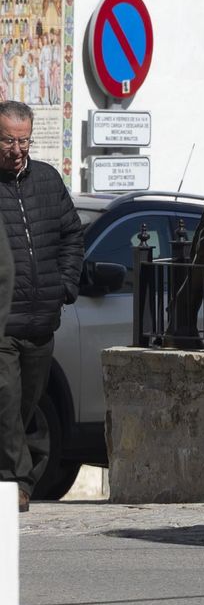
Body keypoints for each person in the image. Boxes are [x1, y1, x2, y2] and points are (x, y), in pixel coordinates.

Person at [0, 101, 81, 510]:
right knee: (6, 398)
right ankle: (15, 482)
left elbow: (72, 235)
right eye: (9, 140)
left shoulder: (47, 181)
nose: (17, 149)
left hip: (41, 320)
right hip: (3, 325)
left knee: (27, 404)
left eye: (23, 140)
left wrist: (64, 285)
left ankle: (22, 474)